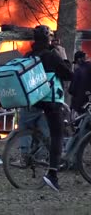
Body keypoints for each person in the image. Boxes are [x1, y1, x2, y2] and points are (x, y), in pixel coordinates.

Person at [25, 25, 73, 191]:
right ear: (47, 39)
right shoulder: (52, 56)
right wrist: (64, 56)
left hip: (35, 100)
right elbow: (68, 75)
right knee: (57, 135)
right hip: (51, 101)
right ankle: (52, 174)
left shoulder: (30, 55)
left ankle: (36, 151)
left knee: (46, 131)